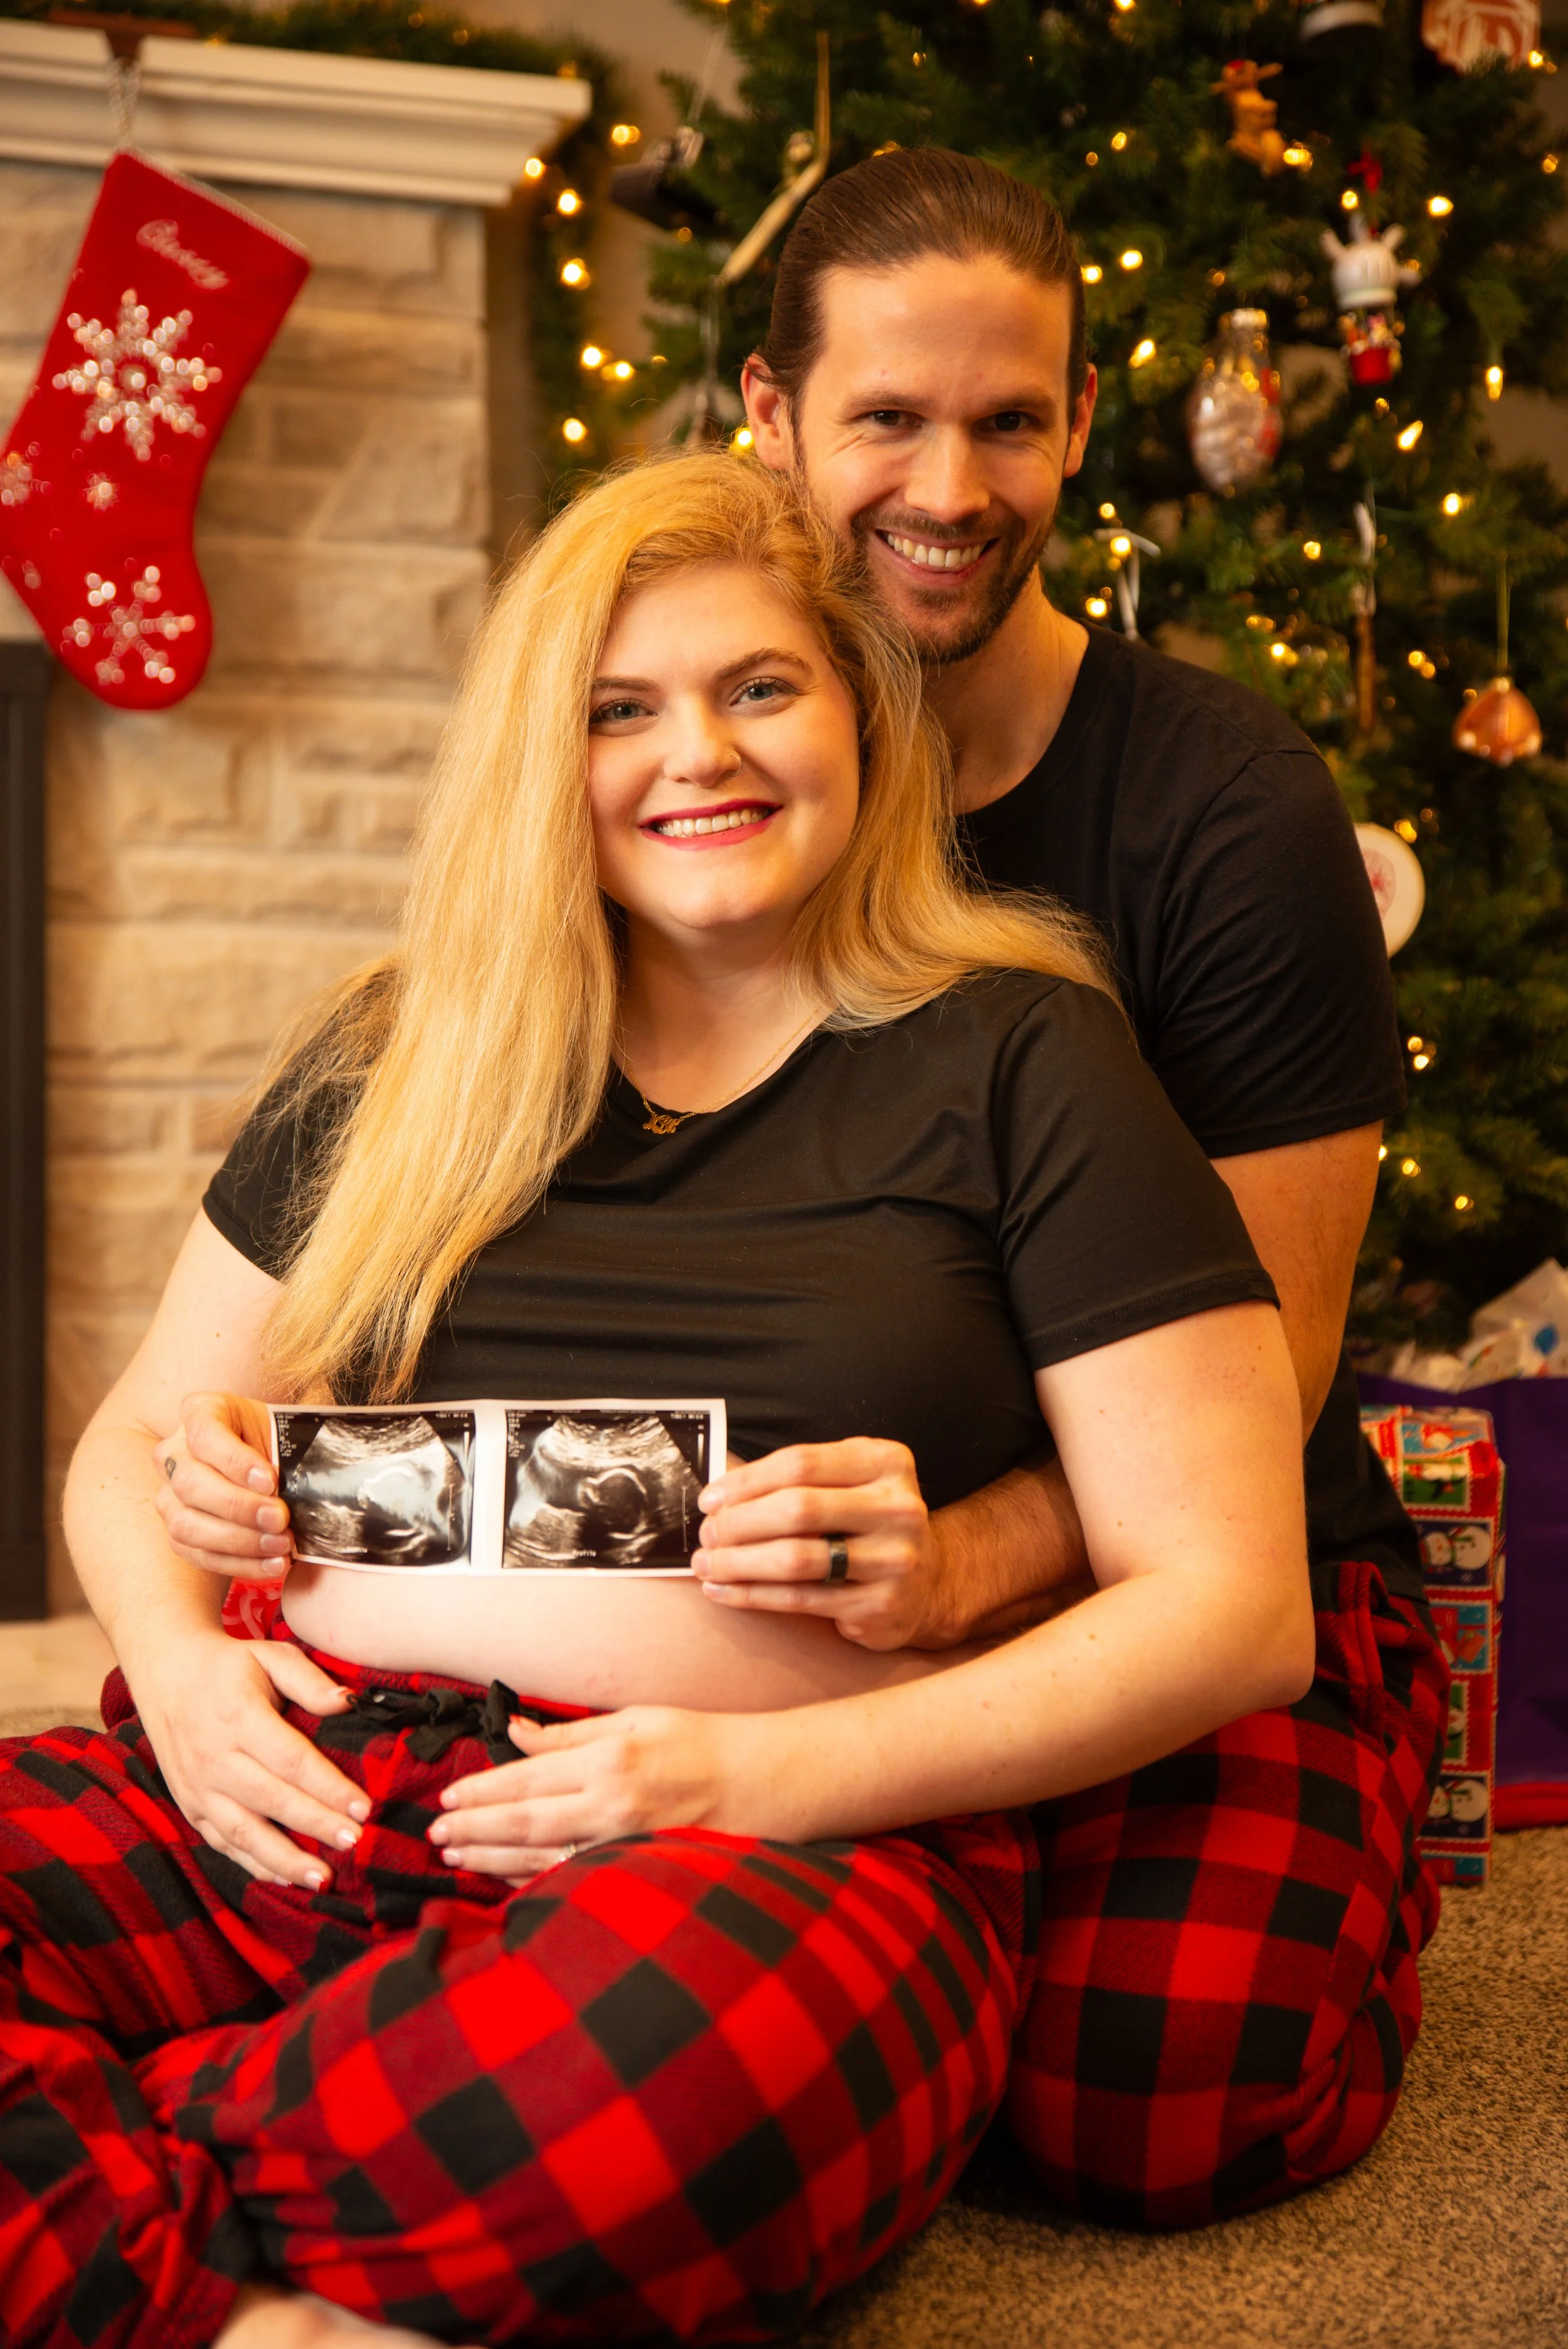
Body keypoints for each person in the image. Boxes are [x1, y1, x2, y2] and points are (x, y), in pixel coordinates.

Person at [9, 456, 1311, 2346]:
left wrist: (760, 1774)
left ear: (858, 713)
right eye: (618, 709)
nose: (693, 753)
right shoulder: (399, 1051)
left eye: (757, 688)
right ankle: (255, 2302)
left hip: (766, 1840)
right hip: (309, 1778)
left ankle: (110, 2206)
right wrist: (184, 1656)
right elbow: (135, 1444)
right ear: (545, 757)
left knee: (667, 2099)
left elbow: (1229, 1608)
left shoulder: (1024, 1052)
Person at [726, 146, 1447, 2223]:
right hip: (801, 1554)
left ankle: (1362, 1842)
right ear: (766, 420)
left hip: (1196, 1559)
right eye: (886, 416)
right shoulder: (691, 779)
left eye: (1008, 419)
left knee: (1147, 2097)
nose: (950, 486)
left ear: (1075, 424)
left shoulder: (1228, 812)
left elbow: (1280, 1367)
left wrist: (954, 1578)